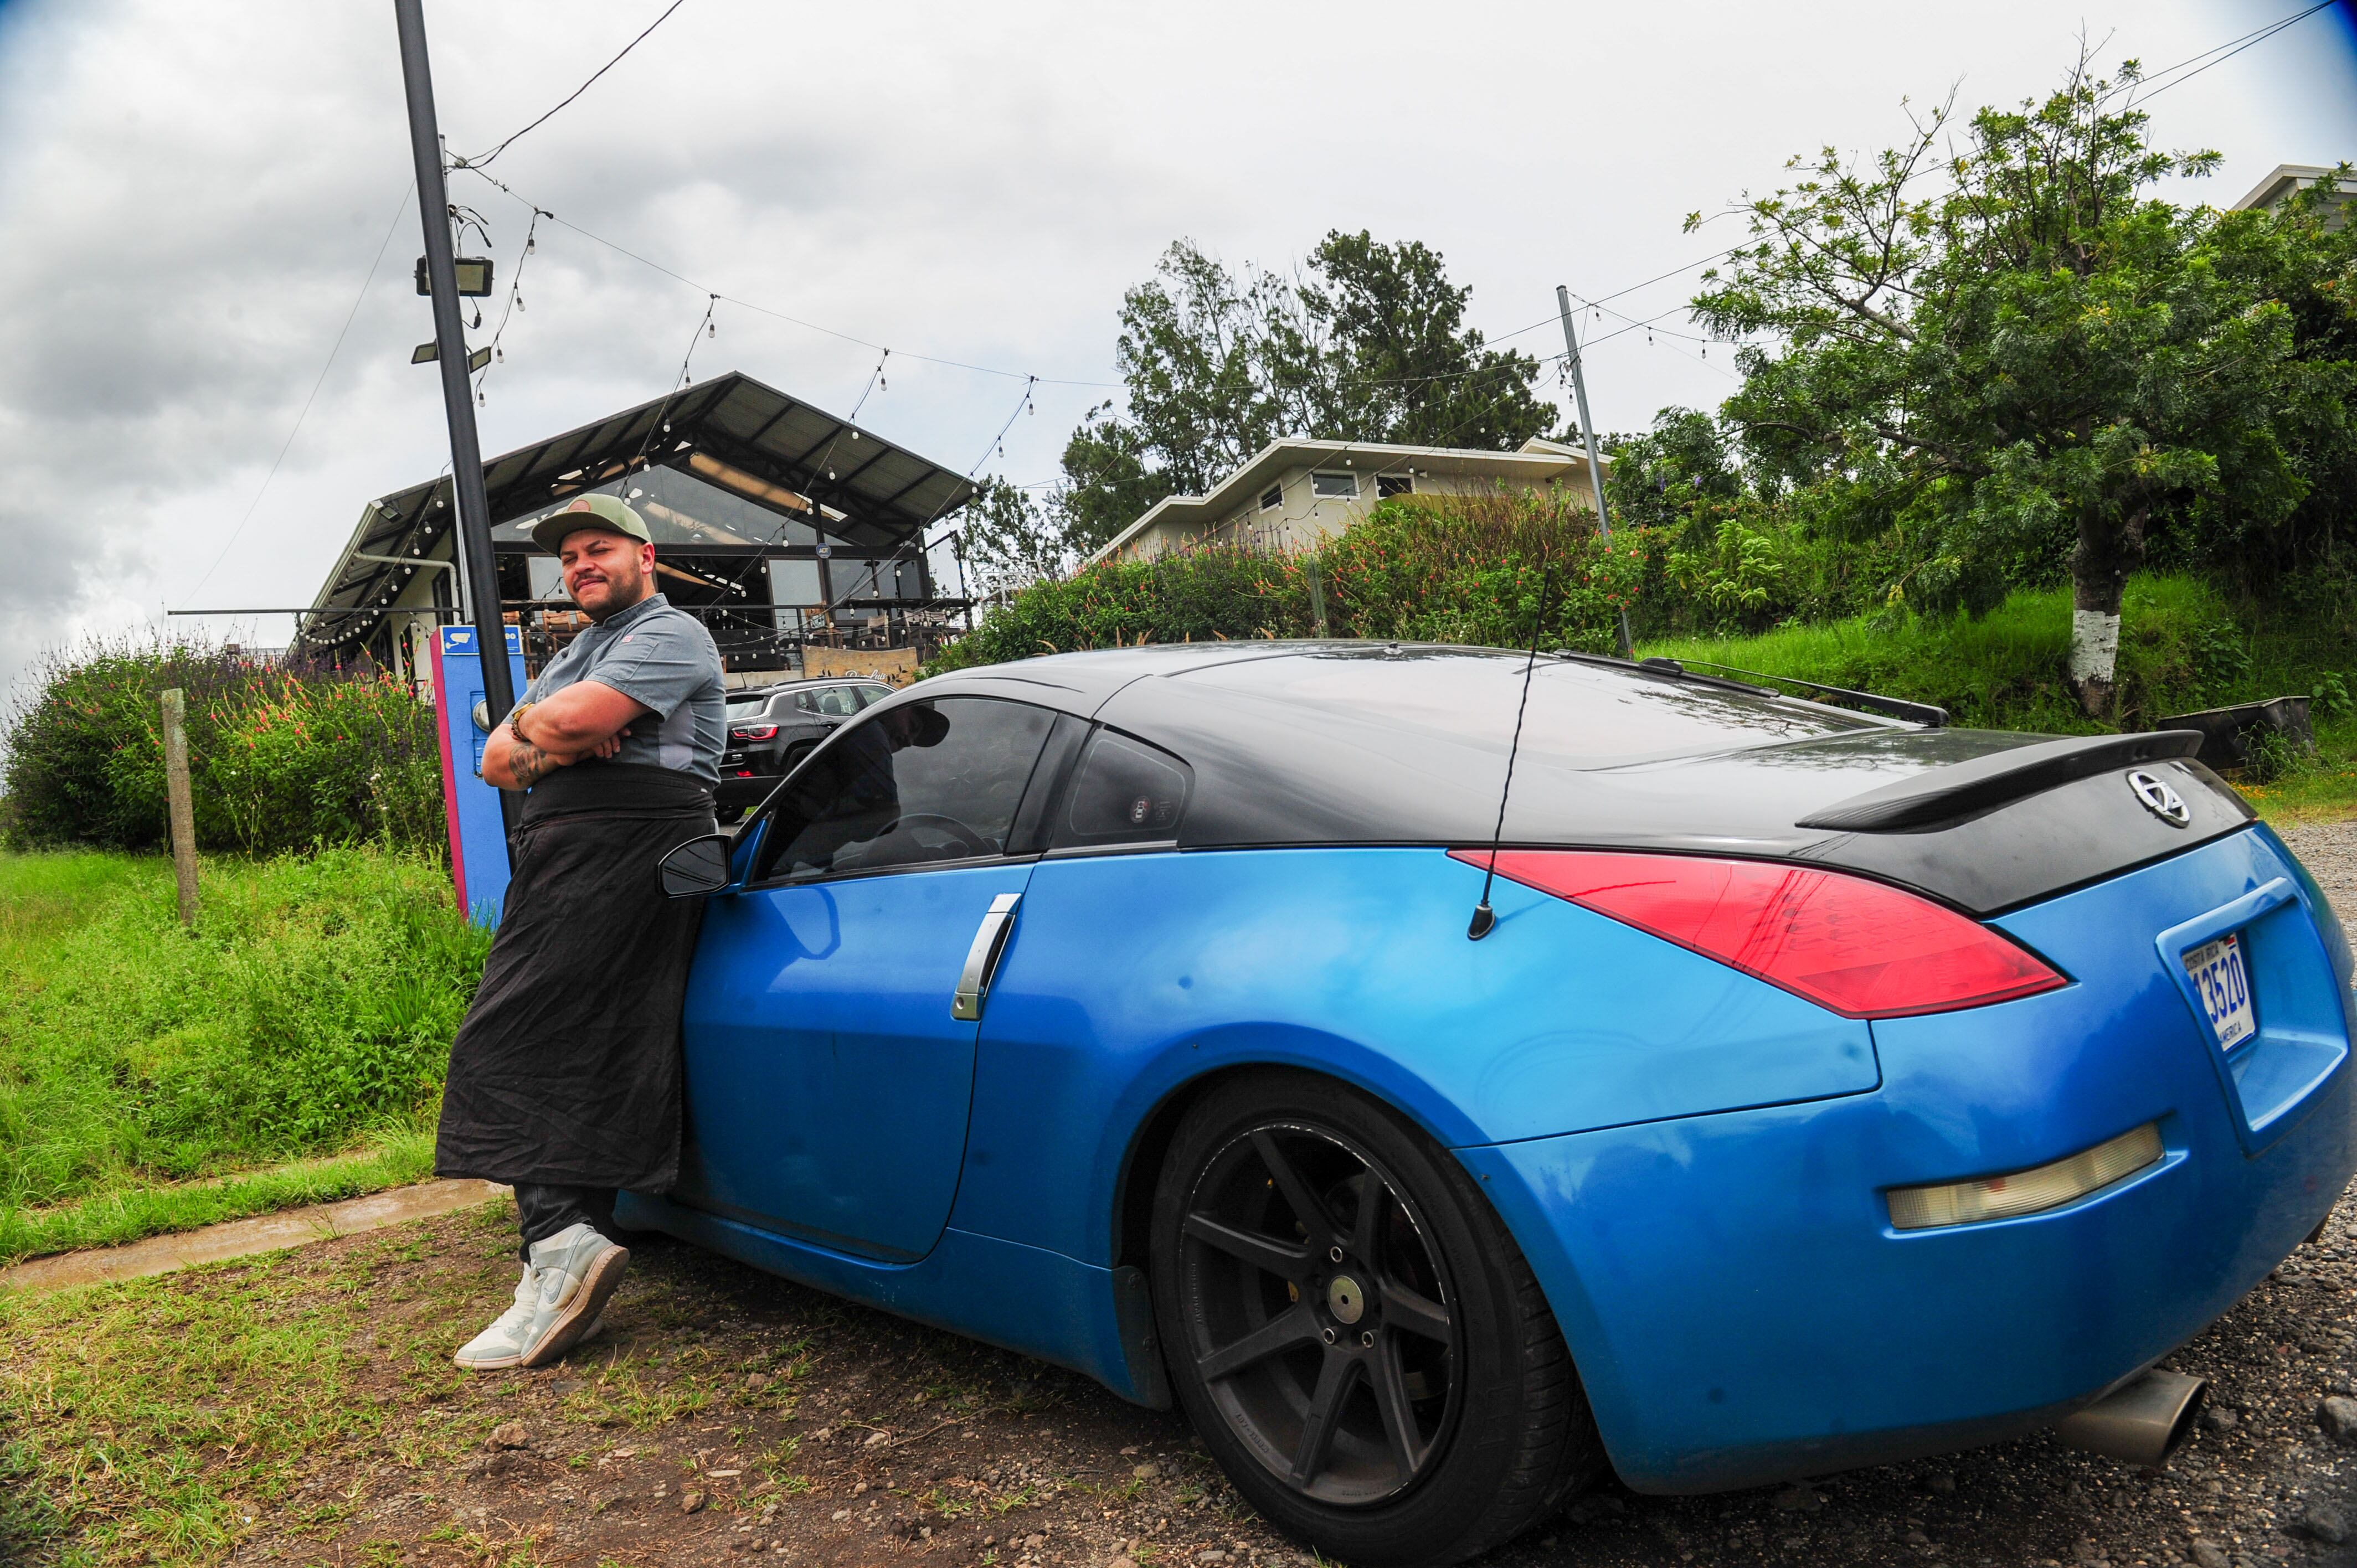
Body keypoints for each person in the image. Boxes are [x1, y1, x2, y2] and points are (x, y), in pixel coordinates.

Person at [436, 492, 727, 1371]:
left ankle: (562, 1254)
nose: (580, 567)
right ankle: (560, 1248)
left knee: (514, 1034)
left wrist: (553, 731)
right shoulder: (579, 653)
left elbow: (551, 729)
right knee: (563, 1036)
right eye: (567, 559)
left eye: (598, 549)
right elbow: (493, 761)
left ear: (646, 556)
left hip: (631, 842)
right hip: (566, 849)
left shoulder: (670, 635)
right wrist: (553, 732)